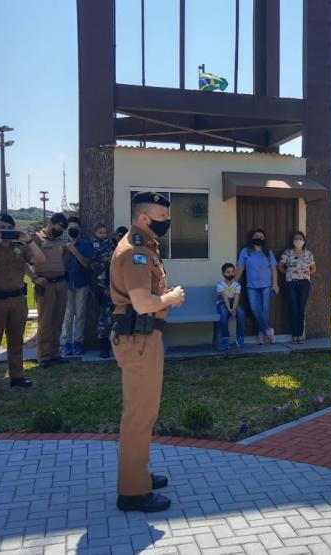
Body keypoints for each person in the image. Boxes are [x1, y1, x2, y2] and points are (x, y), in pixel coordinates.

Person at [110, 192, 185, 512]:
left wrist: (161, 296)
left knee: (143, 413)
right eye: (161, 216)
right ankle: (133, 491)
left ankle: (137, 473)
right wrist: (171, 298)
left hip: (144, 338)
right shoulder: (136, 251)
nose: (166, 221)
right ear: (143, 218)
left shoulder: (145, 247)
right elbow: (142, 303)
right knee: (139, 416)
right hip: (138, 340)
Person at [0, 213, 45, 393]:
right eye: (2, 228)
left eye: (8, 228)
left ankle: (17, 376)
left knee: (16, 341)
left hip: (17, 300)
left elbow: (40, 259)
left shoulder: (19, 248)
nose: (5, 231)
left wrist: (28, 240)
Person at [29, 213, 70, 368]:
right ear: (50, 223)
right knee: (45, 322)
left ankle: (55, 353)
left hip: (60, 283)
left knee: (58, 321)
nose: (59, 231)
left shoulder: (60, 241)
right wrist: (34, 277)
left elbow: (63, 258)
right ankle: (43, 355)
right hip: (45, 285)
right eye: (58, 227)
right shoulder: (37, 239)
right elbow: (23, 261)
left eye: (62, 229)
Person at [236, 228, 279, 344]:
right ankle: (268, 330)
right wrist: (234, 281)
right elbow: (240, 267)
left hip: (267, 285)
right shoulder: (245, 251)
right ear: (251, 238)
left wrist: (275, 284)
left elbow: (274, 269)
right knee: (255, 309)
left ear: (264, 239)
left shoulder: (268, 252)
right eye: (256, 236)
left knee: (264, 310)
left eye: (261, 236)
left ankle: (262, 333)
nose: (258, 238)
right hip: (251, 286)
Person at [60, 216, 94, 357]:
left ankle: (78, 342)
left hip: (82, 283)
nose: (72, 230)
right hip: (67, 284)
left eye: (75, 228)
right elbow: (59, 265)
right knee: (68, 315)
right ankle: (65, 343)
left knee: (80, 315)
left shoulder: (86, 244)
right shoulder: (62, 244)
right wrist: (66, 250)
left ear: (80, 229)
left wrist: (74, 251)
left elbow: (86, 263)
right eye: (70, 228)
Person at [279, 231, 316, 343]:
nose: (298, 240)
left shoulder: (308, 254)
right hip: (291, 283)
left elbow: (314, 268)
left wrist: (305, 273)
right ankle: (294, 335)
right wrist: (289, 272)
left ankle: (300, 335)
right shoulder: (288, 253)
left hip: (304, 284)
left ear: (304, 241)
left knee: (301, 309)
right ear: (293, 241)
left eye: (300, 238)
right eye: (296, 238)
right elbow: (279, 266)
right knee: (294, 309)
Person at [91, 223, 117, 358]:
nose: (103, 235)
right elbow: (95, 263)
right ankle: (103, 347)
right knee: (104, 319)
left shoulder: (110, 243)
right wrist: (107, 259)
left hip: (114, 286)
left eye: (104, 232)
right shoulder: (95, 245)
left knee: (116, 317)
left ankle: (115, 345)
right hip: (102, 286)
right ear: (95, 233)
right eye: (100, 233)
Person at [216, 263, 245, 350]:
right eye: (228, 272)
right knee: (224, 314)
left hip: (233, 303)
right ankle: (225, 340)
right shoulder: (220, 285)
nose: (230, 274)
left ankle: (240, 339)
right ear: (223, 274)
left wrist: (234, 309)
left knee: (241, 313)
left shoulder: (237, 285)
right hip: (222, 302)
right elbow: (225, 298)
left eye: (232, 272)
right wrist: (230, 310)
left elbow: (236, 299)